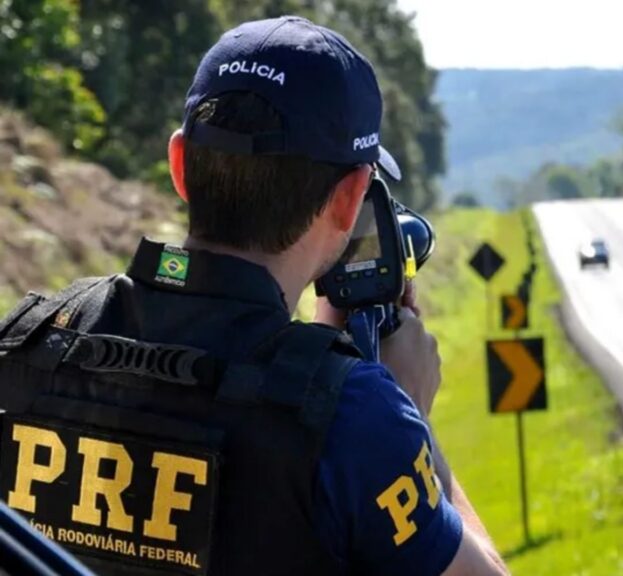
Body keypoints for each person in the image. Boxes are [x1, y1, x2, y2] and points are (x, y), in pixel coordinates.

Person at [0, 16, 507, 576]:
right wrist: (416, 422)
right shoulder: (356, 416)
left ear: (180, 166)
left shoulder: (29, 341)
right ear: (351, 198)